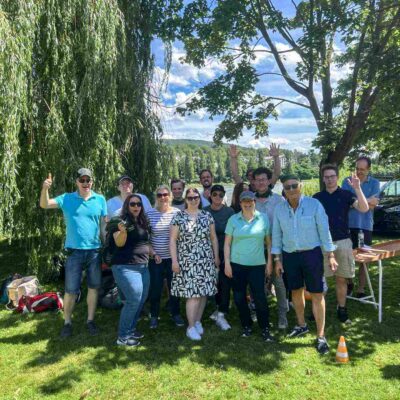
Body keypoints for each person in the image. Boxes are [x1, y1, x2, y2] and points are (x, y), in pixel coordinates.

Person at [272, 175, 338, 355]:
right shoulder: (279, 209)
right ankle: (302, 325)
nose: (292, 190)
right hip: (290, 256)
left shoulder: (314, 205)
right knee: (295, 291)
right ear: (283, 190)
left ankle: (321, 335)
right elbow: (276, 235)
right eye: (287, 187)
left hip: (312, 254)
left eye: (294, 186)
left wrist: (330, 254)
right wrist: (277, 260)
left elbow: (324, 231)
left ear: (300, 186)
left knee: (317, 293)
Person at [40, 168, 107, 338]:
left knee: (93, 287)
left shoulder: (100, 199)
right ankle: (67, 322)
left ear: (92, 181)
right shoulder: (67, 198)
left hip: (94, 251)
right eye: (82, 180)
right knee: (70, 290)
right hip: (74, 252)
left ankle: (90, 320)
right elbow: (45, 204)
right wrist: (45, 189)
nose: (85, 183)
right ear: (77, 181)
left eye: (88, 180)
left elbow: (103, 227)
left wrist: (106, 245)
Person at [313, 164, 368, 323]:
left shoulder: (346, 194)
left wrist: (357, 188)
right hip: (322, 243)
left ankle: (342, 309)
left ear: (337, 177)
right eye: (327, 177)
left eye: (332, 176)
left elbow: (364, 208)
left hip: (343, 241)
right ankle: (317, 308)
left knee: (341, 278)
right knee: (319, 279)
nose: (329, 179)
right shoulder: (317, 198)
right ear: (323, 179)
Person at [170, 187, 219, 341]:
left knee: (203, 292)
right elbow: (172, 240)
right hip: (187, 261)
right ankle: (190, 327)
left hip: (205, 259)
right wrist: (174, 261)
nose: (193, 200)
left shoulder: (207, 215)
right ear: (186, 200)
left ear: (200, 198)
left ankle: (197, 321)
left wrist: (215, 256)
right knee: (192, 295)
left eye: (196, 197)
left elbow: (213, 238)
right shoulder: (179, 217)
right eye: (190, 198)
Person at [224, 191, 274, 342]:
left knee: (260, 298)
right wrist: (227, 263)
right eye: (244, 201)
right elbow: (227, 243)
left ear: (254, 202)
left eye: (250, 201)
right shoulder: (233, 219)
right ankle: (247, 325)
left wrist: (270, 262)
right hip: (237, 265)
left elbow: (269, 243)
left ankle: (265, 327)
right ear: (240, 203)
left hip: (257, 265)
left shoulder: (263, 218)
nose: (247, 204)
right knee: (239, 298)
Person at [110, 194, 151, 346]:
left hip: (143, 266)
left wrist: (154, 253)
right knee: (133, 299)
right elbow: (119, 243)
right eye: (132, 204)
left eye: (138, 204)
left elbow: (144, 241)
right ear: (127, 206)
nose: (136, 207)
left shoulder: (142, 221)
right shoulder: (119, 222)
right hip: (125, 266)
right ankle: (123, 337)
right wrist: (123, 232)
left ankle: (131, 329)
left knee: (140, 300)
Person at [253, 167, 288, 329]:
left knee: (279, 282)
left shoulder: (279, 201)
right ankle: (257, 311)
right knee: (255, 283)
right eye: (257, 180)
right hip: (255, 249)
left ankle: (282, 315)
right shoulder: (249, 201)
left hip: (275, 249)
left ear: (269, 181)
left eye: (263, 179)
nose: (260, 183)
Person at [342, 156, 380, 298]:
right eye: (357, 168)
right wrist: (364, 202)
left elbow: (374, 204)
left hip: (365, 226)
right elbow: (345, 202)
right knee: (348, 257)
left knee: (364, 258)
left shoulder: (375, 183)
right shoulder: (347, 182)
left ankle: (361, 288)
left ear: (368, 169)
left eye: (362, 169)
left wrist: (355, 202)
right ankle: (350, 283)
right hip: (348, 225)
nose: (359, 172)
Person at [147, 185, 184, 329]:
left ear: (170, 196)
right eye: (159, 195)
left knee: (174, 287)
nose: (163, 198)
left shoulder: (177, 213)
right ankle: (154, 315)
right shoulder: (150, 214)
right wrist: (153, 253)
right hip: (156, 258)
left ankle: (175, 313)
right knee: (155, 289)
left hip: (173, 258)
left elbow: (182, 236)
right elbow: (146, 239)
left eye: (165, 194)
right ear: (156, 197)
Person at [204, 184, 235, 330]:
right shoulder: (204, 212)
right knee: (212, 282)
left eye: (221, 195)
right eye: (215, 194)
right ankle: (215, 307)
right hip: (207, 252)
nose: (218, 197)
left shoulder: (229, 211)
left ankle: (222, 312)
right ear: (210, 195)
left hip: (226, 252)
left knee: (224, 282)